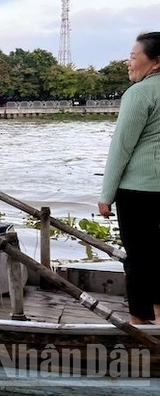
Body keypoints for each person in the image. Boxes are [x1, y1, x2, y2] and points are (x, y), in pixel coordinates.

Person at [97, 31, 160, 325]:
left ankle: (141, 322)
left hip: (140, 190)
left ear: (156, 62)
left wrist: (106, 195)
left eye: (134, 57)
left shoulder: (140, 93)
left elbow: (121, 147)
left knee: (139, 258)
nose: (128, 63)